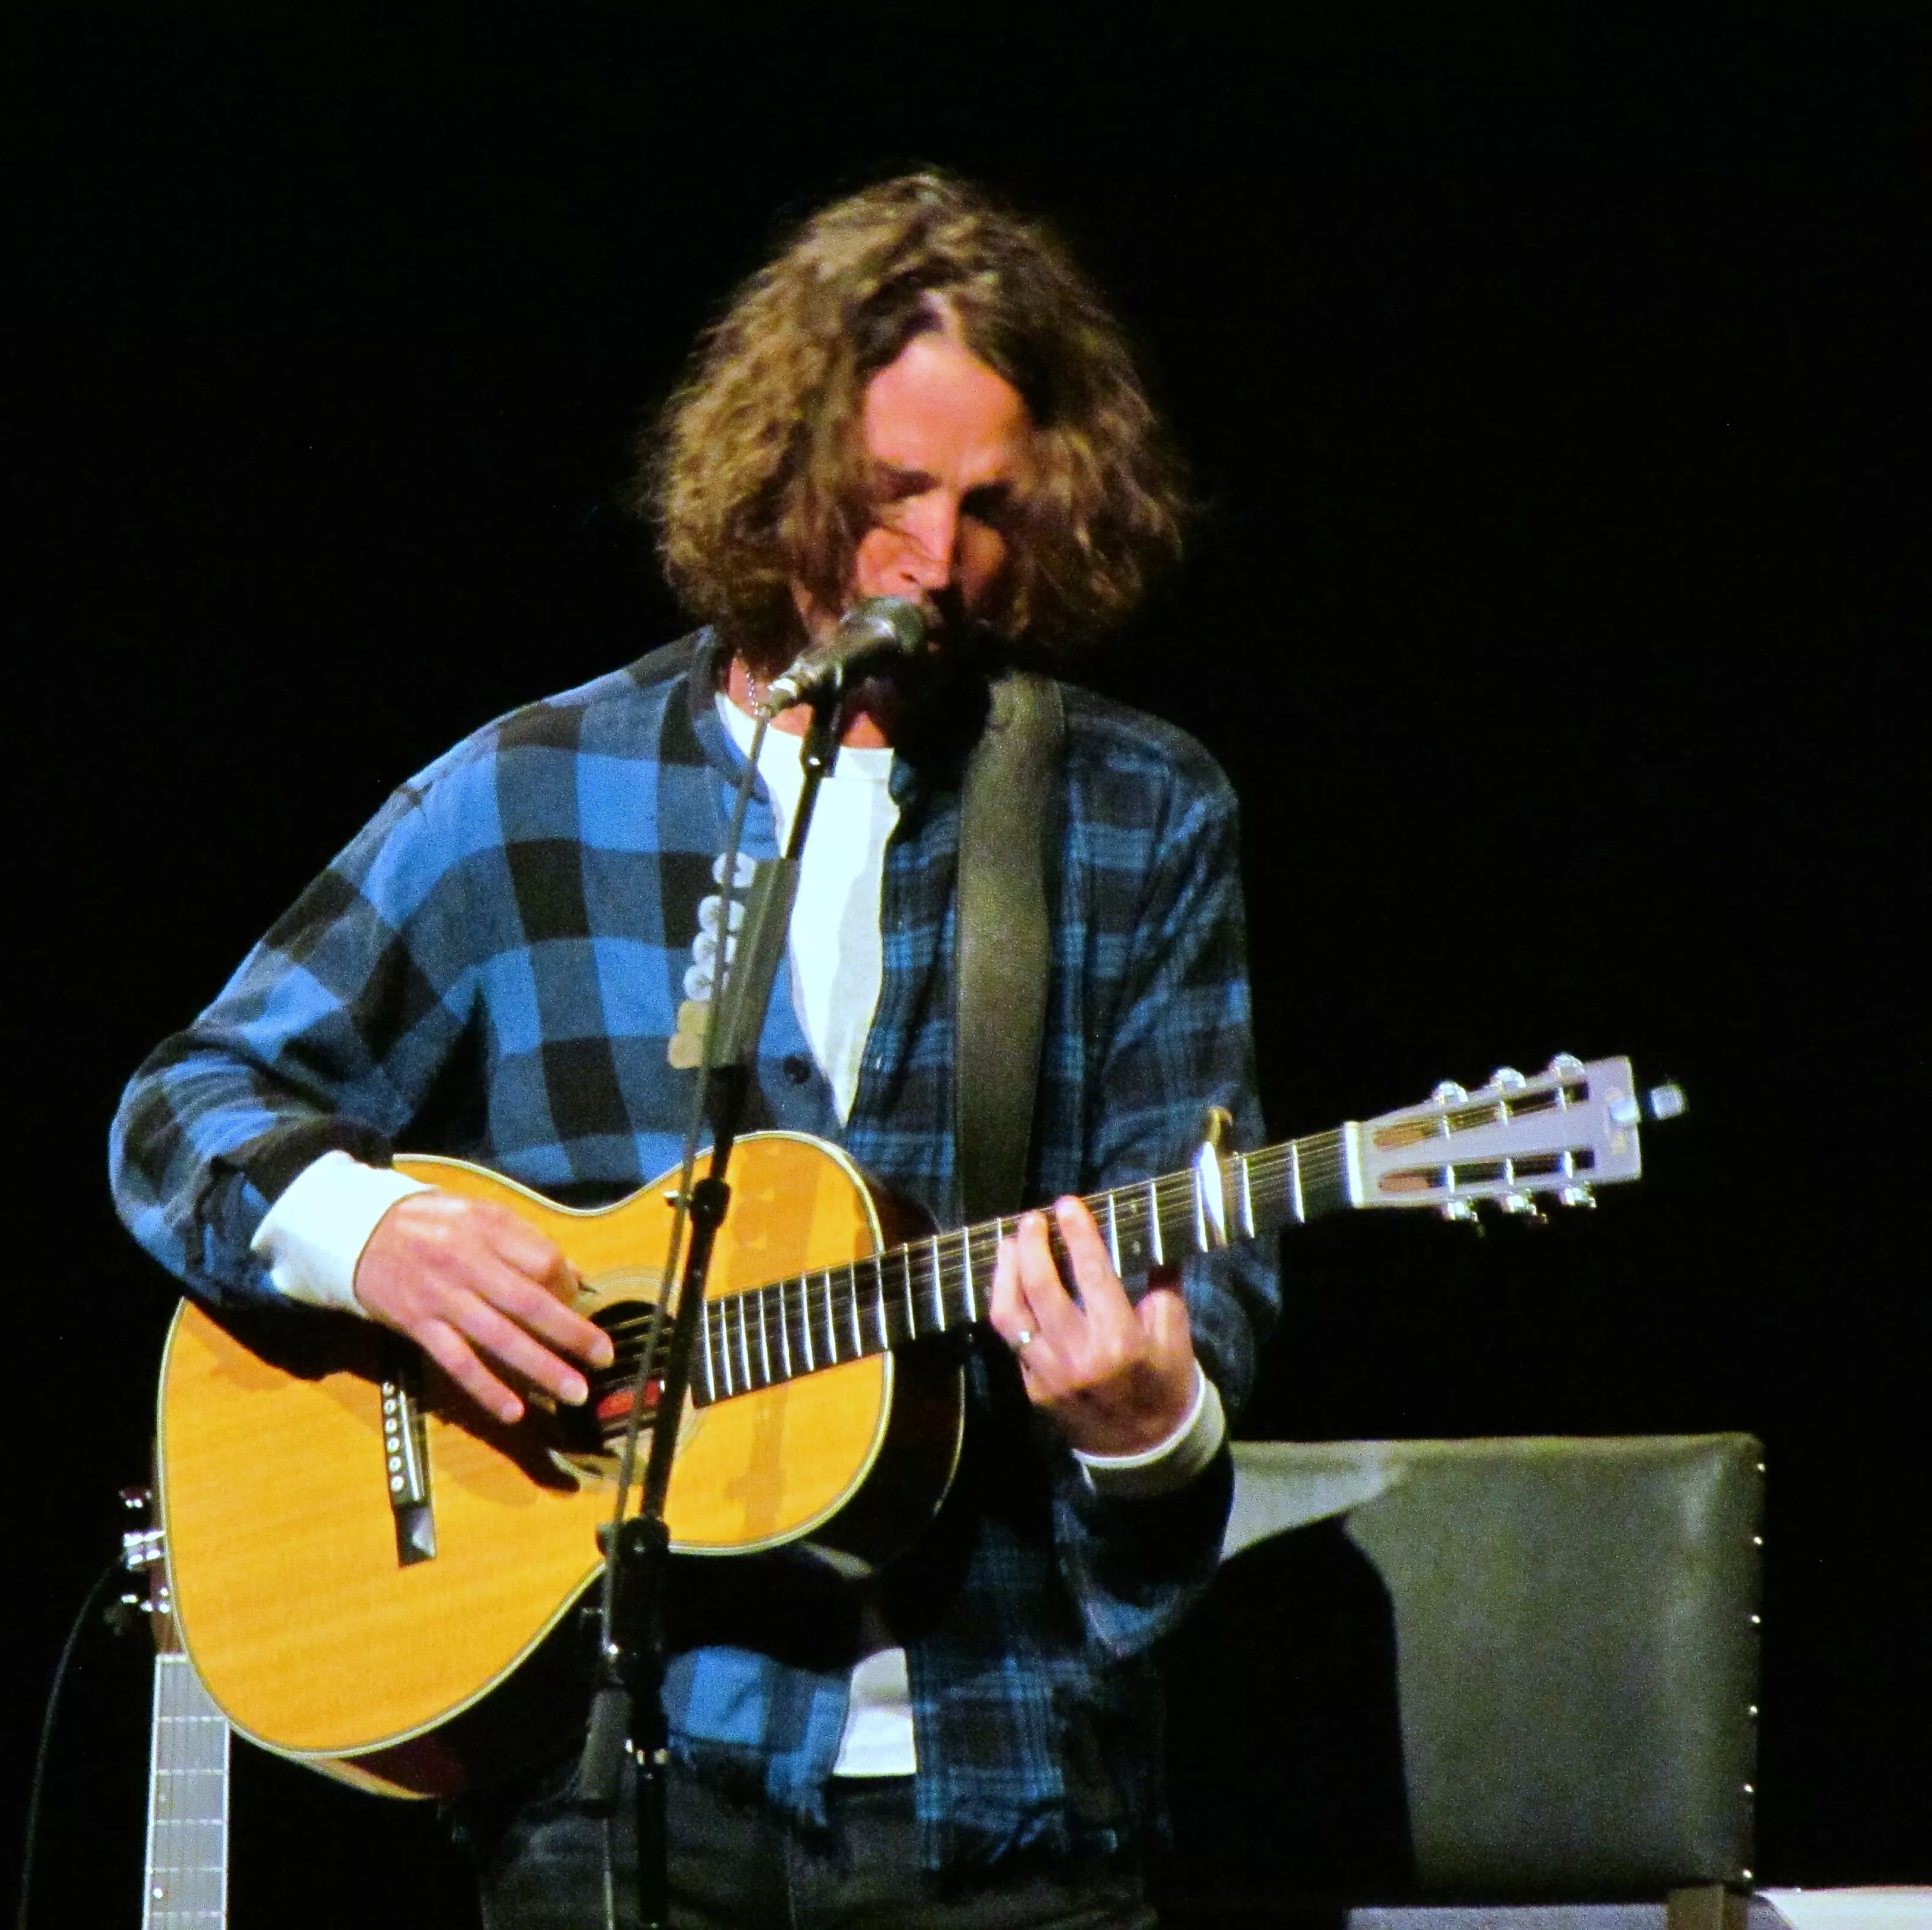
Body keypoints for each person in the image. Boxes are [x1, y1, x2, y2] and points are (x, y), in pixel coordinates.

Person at [110, 172, 1275, 1929]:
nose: (938, 562)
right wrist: (381, 1240)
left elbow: (1217, 1272)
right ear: (786, 459)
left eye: (992, 510)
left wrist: (1149, 1425)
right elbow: (181, 1110)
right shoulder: (534, 792)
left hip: (1010, 1794)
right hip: (609, 1782)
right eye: (895, 495)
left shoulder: (1131, 809)